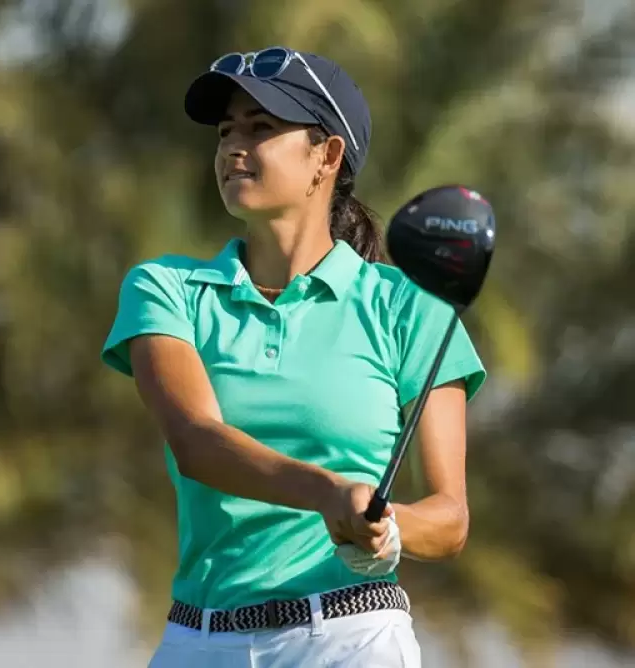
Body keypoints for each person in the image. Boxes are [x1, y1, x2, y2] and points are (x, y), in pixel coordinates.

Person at [100, 47, 487, 667]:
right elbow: (197, 442)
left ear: (327, 156)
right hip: (199, 641)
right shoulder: (166, 290)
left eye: (261, 128)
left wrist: (388, 529)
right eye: (226, 130)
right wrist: (331, 494)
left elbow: (450, 520)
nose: (233, 147)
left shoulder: (408, 309)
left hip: (350, 640)